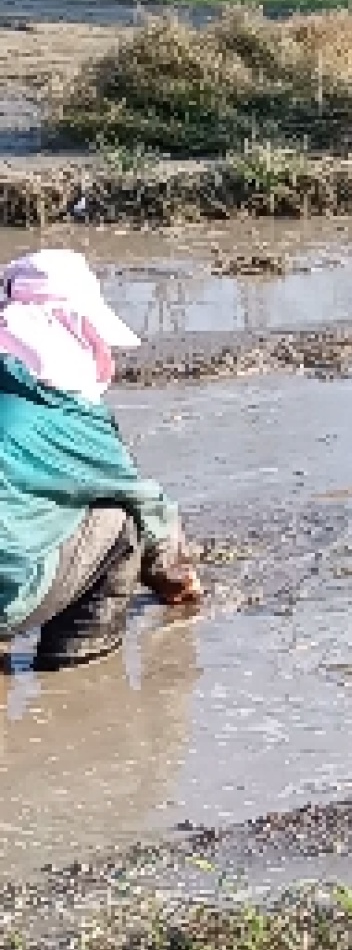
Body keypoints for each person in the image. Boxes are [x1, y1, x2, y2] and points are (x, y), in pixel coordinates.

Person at [0, 247, 202, 671]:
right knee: (118, 521)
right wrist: (179, 581)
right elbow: (148, 507)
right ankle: (77, 673)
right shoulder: (64, 410)